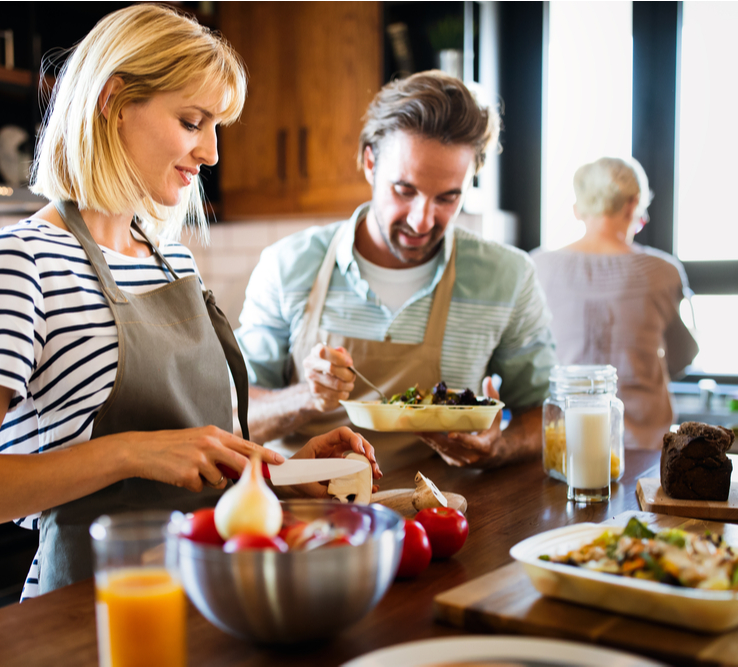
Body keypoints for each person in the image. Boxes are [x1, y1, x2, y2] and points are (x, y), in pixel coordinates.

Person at [0, 4, 379, 600]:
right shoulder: (17, 259)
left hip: (211, 593)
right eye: (191, 121)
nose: (210, 152)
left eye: (216, 127)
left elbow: (188, 460)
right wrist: (128, 452)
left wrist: (278, 477)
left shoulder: (170, 259)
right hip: (92, 610)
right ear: (113, 102)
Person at [236, 72, 558, 472]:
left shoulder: (507, 277)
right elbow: (235, 416)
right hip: (308, 515)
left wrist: (498, 447)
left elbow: (549, 415)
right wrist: (306, 397)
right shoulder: (287, 265)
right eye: (404, 191)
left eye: (447, 197)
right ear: (370, 162)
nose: (422, 221)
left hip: (441, 517)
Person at [531, 157, 698, 449]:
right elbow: (682, 357)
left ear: (578, 209)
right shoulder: (663, 271)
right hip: (643, 448)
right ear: (633, 205)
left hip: (563, 444)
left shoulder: (536, 266)